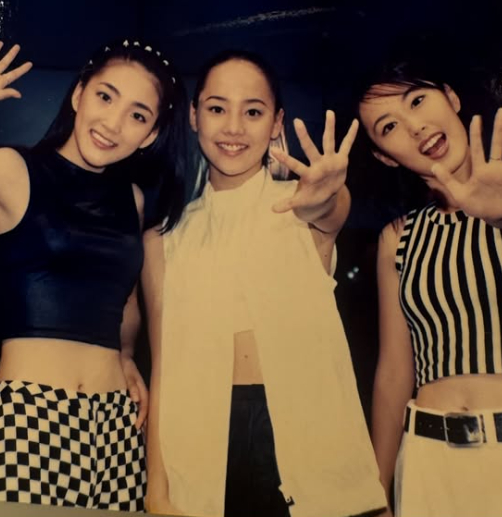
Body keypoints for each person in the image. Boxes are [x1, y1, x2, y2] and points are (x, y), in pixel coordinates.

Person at [143, 50, 386, 517]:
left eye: (253, 112)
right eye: (217, 108)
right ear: (193, 116)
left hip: (304, 433)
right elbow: (163, 366)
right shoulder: (164, 237)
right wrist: (158, 486)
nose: (234, 127)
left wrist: (324, 198)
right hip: (203, 439)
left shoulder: (301, 204)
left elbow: (330, 209)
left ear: (277, 123)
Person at [0, 38, 186, 511]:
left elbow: (124, 298)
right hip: (28, 416)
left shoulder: (134, 201)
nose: (113, 123)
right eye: (106, 96)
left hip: (117, 426)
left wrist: (125, 355)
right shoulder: (12, 170)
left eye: (137, 115)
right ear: (79, 94)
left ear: (150, 134)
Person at [357, 60, 502, 517]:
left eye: (417, 100)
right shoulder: (398, 238)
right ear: (385, 156)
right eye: (389, 127)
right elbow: (394, 373)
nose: (415, 126)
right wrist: (377, 493)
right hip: (428, 460)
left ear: (451, 97)